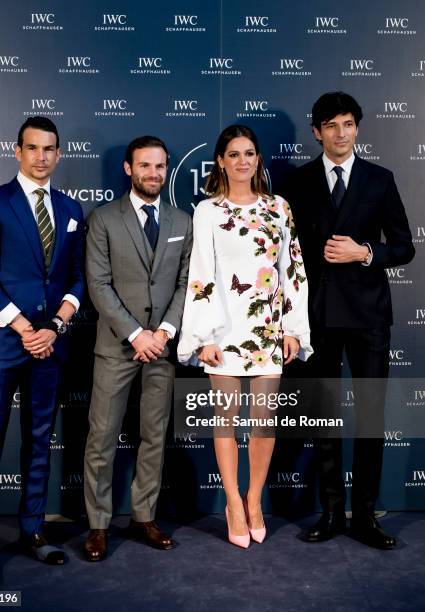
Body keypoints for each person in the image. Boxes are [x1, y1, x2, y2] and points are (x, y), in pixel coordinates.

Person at [287, 92, 415, 549]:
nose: (341, 133)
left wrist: (364, 253)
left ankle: (365, 515)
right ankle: (330, 512)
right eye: (331, 125)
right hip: (318, 316)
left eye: (348, 124)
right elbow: (287, 255)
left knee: (370, 416)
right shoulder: (298, 182)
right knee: (322, 417)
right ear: (316, 131)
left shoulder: (380, 179)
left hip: (368, 317)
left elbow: (404, 247)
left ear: (357, 128)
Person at [177, 125, 311, 548]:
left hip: (268, 331)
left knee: (263, 422)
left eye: (249, 153)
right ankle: (232, 502)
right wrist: (203, 336)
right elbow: (200, 274)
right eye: (233, 154)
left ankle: (254, 499)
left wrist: (293, 329)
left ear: (258, 159)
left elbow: (294, 272)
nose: (241, 161)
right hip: (224, 329)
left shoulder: (278, 208)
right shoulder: (208, 211)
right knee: (225, 420)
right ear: (220, 160)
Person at [0, 117, 85, 584]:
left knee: (38, 441)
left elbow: (75, 277)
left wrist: (54, 326)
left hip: (49, 344)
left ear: (58, 154)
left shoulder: (71, 208)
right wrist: (22, 326)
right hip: (1, 342)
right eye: (32, 148)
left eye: (49, 148)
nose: (40, 156)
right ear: (17, 151)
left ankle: (34, 531)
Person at [83, 136, 192, 561]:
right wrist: (136, 334)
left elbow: (187, 283)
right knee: (102, 437)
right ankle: (97, 525)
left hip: (162, 347)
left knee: (154, 436)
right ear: (128, 169)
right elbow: (98, 284)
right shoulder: (104, 218)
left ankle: (144, 516)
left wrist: (162, 332)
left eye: (160, 166)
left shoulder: (183, 220)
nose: (153, 174)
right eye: (145, 166)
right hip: (117, 346)